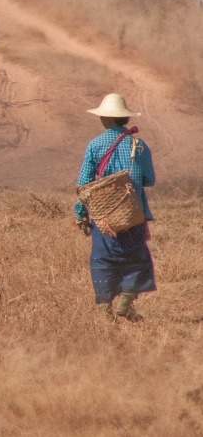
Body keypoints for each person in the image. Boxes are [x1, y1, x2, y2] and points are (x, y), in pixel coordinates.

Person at [75, 93, 156, 321]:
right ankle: (126, 300)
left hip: (104, 219)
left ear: (107, 119)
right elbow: (149, 179)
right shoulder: (138, 145)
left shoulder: (95, 145)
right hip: (133, 215)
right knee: (137, 258)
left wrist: (81, 214)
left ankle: (105, 311)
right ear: (124, 119)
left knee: (103, 261)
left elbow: (84, 185)